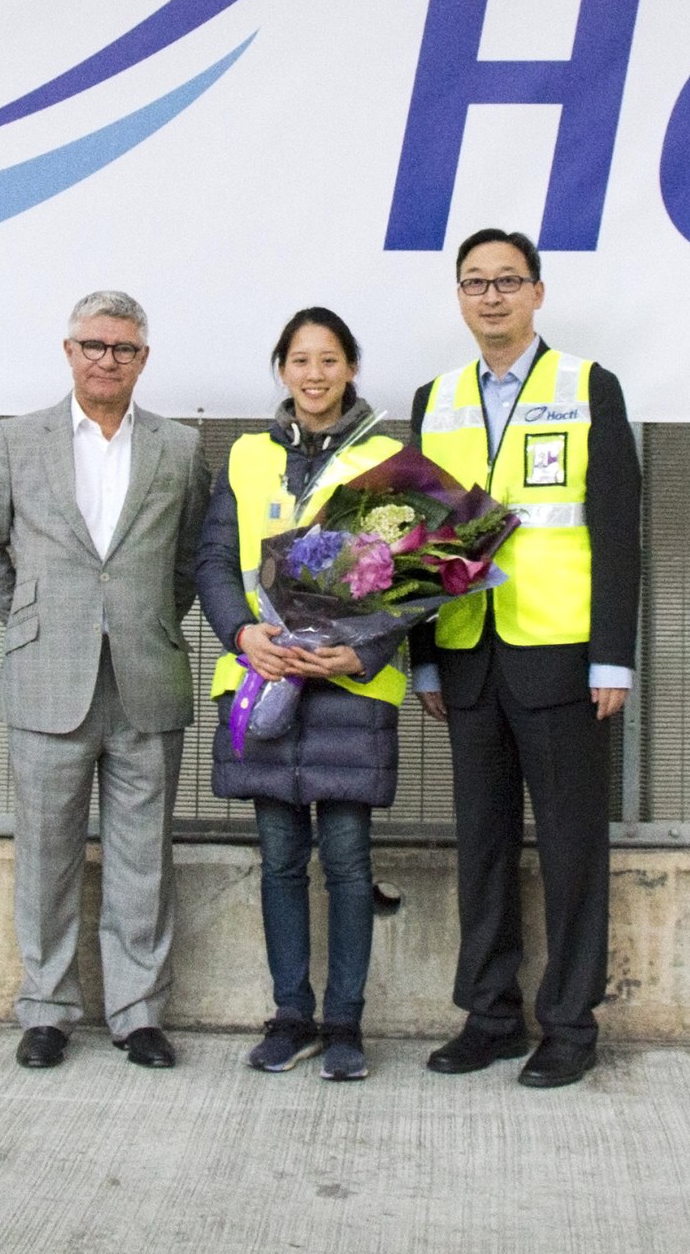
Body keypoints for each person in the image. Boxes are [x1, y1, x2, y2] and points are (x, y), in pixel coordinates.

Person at [409, 228, 641, 1089]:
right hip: (469, 658)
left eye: (508, 280)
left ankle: (572, 1026)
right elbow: (420, 537)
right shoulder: (436, 398)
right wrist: (427, 659)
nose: (492, 297)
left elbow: (618, 533)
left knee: (573, 848)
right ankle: (491, 1015)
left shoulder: (587, 387)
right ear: (460, 297)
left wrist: (612, 658)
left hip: (563, 657)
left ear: (538, 292)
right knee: (484, 845)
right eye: (475, 282)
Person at [0, 291, 211, 1071]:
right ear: (68, 351)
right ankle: (47, 1007)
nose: (108, 359)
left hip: (145, 677)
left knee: (144, 855)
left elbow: (188, 562)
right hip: (46, 682)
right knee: (46, 853)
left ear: (144, 358)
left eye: (124, 348)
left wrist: (142, 620)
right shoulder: (15, 440)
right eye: (95, 345)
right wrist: (36, 622)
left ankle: (138, 1013)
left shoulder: (179, 447)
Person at [194, 308, 407, 1082]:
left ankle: (345, 1024)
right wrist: (241, 636)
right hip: (263, 677)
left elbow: (413, 577)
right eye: (299, 360)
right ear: (281, 369)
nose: (314, 375)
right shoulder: (248, 456)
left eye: (329, 360)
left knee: (347, 861)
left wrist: (363, 649)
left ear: (350, 367)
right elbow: (215, 561)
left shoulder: (388, 456)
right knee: (280, 857)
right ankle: (291, 1014)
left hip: (350, 682)